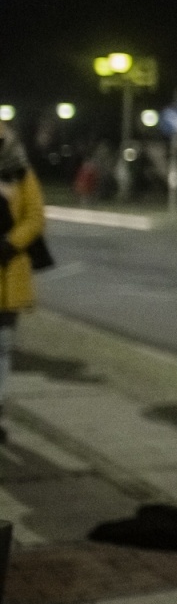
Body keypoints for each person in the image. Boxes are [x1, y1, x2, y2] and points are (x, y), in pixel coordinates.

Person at [0, 121, 46, 445]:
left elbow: (35, 216)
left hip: (8, 271)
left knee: (2, 349)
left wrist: (11, 243)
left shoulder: (21, 173)